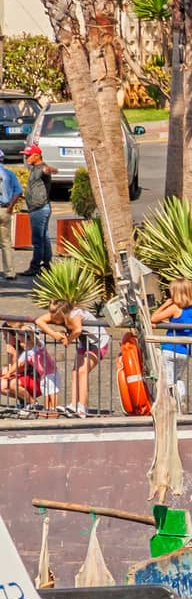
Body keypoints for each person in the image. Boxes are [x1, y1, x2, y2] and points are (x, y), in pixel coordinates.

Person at [34, 299, 110, 417]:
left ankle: (82, 407)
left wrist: (67, 340)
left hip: (97, 343)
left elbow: (78, 330)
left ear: (62, 314)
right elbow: (39, 321)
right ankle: (74, 404)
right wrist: (53, 334)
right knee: (75, 372)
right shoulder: (58, 312)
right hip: (84, 343)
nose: (53, 319)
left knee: (82, 371)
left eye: (55, 317)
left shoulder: (75, 315)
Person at [150, 278, 192, 412]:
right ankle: (181, 398)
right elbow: (182, 323)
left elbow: (154, 318)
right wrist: (169, 322)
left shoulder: (174, 308)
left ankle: (171, 406)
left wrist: (165, 304)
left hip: (170, 348)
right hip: (184, 349)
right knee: (177, 378)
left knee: (168, 380)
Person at [21, 144, 54, 276]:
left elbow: (46, 171)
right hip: (39, 208)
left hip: (39, 208)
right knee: (44, 237)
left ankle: (35, 267)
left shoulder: (41, 168)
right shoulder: (34, 168)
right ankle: (46, 265)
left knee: (37, 240)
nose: (26, 157)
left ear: (37, 156)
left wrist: (49, 169)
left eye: (28, 155)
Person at [0, 163, 22, 280]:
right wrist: (10, 207)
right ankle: (9, 272)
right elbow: (18, 191)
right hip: (4, 210)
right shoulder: (10, 173)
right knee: (6, 243)